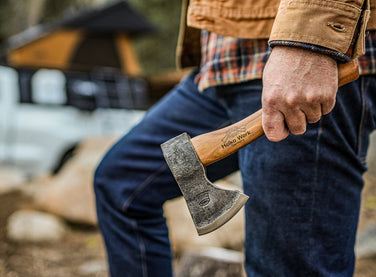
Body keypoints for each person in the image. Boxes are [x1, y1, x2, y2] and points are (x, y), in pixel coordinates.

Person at [94, 0, 376, 276]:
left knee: (285, 268)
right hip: (223, 62)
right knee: (123, 186)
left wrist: (310, 39)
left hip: (298, 60)